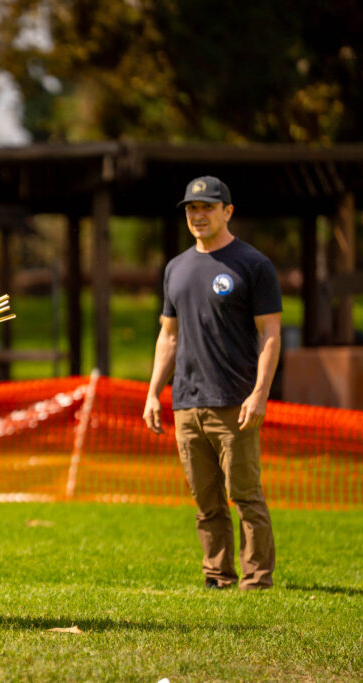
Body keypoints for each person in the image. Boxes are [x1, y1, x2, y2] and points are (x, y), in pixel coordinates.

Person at [142, 176, 282, 591]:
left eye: (207, 207)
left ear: (227, 212)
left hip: (234, 403)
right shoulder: (176, 268)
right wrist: (153, 393)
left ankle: (256, 579)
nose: (198, 215)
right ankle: (217, 575)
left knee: (245, 497)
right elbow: (168, 336)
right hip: (187, 403)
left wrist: (259, 393)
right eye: (191, 209)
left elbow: (270, 334)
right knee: (206, 502)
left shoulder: (253, 264)